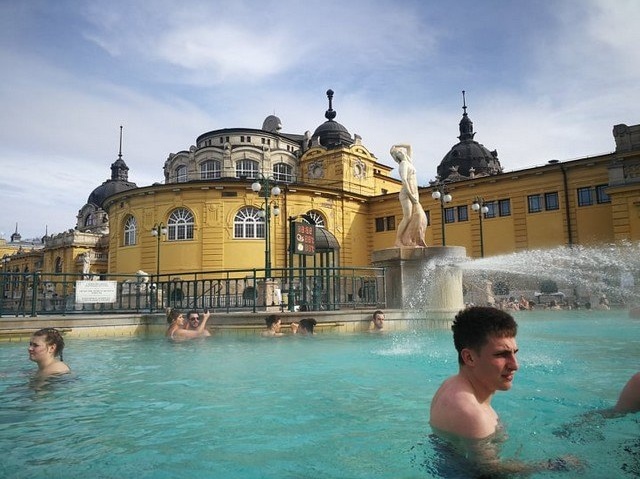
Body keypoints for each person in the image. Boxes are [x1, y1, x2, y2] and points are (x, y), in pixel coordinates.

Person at [429, 306, 581, 476]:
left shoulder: (450, 385)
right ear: (469, 357)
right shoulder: (472, 414)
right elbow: (489, 471)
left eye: (514, 353)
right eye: (502, 354)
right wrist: (553, 465)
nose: (515, 365)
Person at [390, 144, 427, 248]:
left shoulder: (409, 161)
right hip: (406, 193)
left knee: (415, 216)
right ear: (397, 156)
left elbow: (409, 146)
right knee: (407, 217)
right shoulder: (403, 164)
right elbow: (404, 180)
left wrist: (396, 145)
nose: (401, 152)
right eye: (398, 152)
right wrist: (411, 195)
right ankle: (398, 241)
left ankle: (411, 239)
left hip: (414, 192)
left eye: (401, 150)